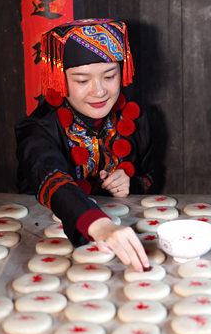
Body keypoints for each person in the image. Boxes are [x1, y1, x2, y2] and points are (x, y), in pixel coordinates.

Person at [15, 19, 155, 271]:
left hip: (123, 233)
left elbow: (151, 175)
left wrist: (130, 183)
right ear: (61, 80)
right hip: (43, 237)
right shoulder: (39, 127)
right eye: (82, 80)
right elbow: (49, 177)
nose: (99, 91)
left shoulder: (135, 117)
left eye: (110, 76)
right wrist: (99, 224)